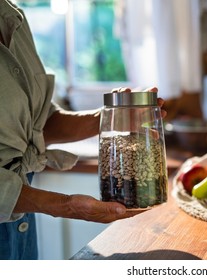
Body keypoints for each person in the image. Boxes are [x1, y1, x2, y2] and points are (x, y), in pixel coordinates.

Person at [0, 0, 166, 259]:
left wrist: (110, 118)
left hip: (21, 227)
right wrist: (65, 206)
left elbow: (39, 122)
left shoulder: (13, 17)